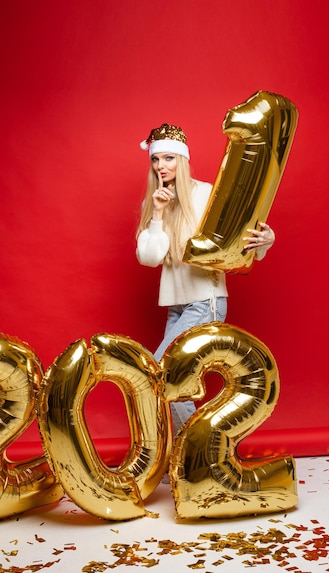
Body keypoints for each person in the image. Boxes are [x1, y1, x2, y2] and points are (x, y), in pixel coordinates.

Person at [136, 123, 275, 434]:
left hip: (205, 302)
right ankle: (194, 453)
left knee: (163, 372)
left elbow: (236, 242)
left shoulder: (206, 194)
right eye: (156, 160)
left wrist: (266, 240)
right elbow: (149, 258)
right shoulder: (153, 202)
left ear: (182, 160)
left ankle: (195, 453)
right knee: (173, 382)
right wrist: (157, 214)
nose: (161, 166)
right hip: (177, 308)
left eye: (169, 159)